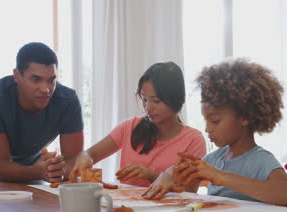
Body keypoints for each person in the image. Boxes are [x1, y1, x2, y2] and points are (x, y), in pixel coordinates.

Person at [143, 59, 287, 208]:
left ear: (244, 117)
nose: (207, 129)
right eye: (206, 121)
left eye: (215, 121)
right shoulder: (214, 159)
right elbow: (189, 194)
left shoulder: (260, 160)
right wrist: (173, 174)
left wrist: (220, 176)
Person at [69, 62, 206, 187]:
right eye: (144, 99)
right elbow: (89, 154)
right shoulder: (129, 127)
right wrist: (85, 158)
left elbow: (189, 190)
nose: (148, 107)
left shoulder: (193, 140)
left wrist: (150, 175)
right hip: (125, 207)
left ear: (176, 99)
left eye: (156, 101)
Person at [0, 42, 84, 182]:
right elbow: (0, 167)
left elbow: (73, 161)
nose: (46, 89)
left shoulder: (68, 101)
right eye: (36, 80)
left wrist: (55, 170)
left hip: (31, 162)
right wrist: (40, 171)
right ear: (17, 75)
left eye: (51, 80)